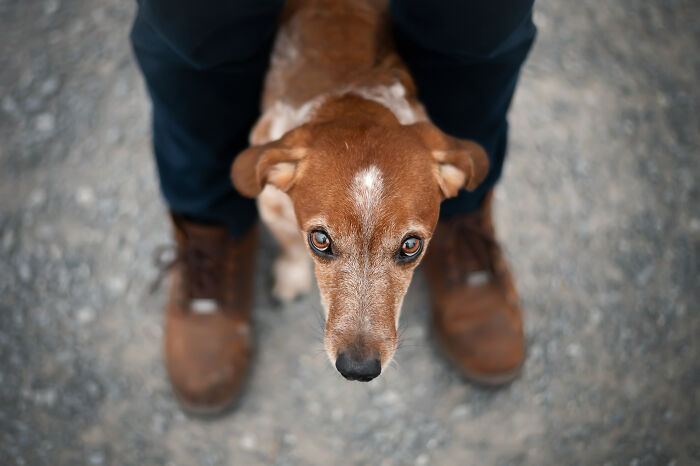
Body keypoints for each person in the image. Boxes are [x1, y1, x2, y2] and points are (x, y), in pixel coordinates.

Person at [131, 0, 536, 413]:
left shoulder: (437, 163)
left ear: (453, 171)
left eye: (407, 248)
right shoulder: (283, 151)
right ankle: (210, 225)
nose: (361, 347)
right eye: (323, 242)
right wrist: (296, 254)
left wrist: (319, 242)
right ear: (276, 166)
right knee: (193, 27)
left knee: (479, 20)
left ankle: (458, 220)